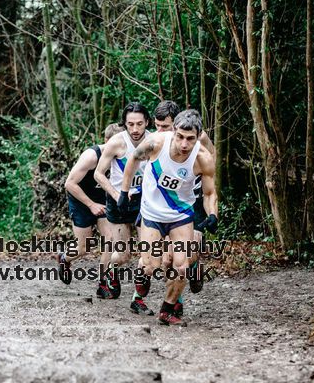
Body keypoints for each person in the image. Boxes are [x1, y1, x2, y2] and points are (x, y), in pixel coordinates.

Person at [118, 109, 218, 325]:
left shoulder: (203, 158)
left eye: (190, 139)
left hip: (181, 215)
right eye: (180, 136)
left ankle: (167, 309)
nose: (184, 144)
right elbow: (133, 160)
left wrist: (212, 215)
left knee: (181, 265)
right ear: (174, 131)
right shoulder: (155, 143)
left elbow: (210, 192)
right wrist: (124, 192)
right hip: (152, 213)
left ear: (198, 136)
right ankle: (142, 279)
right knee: (150, 265)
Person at [93, 102, 151, 300]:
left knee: (148, 254)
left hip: (143, 201)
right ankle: (111, 270)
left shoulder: (154, 141)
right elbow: (99, 174)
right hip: (118, 200)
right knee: (123, 255)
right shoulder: (117, 142)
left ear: (147, 122)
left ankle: (138, 297)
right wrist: (117, 195)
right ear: (124, 124)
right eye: (130, 124)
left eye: (139, 124)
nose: (135, 129)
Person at [57, 123, 124, 287]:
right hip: (81, 199)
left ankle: (104, 282)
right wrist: (91, 204)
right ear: (106, 140)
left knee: (111, 239)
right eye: (114, 144)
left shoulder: (123, 156)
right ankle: (64, 258)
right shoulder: (92, 156)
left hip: (103, 199)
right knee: (84, 247)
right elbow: (69, 184)